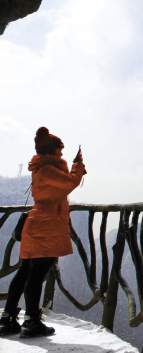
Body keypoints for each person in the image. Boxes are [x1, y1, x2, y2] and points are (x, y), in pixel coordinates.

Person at [0, 127, 86, 338]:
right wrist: (78, 166)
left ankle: (8, 318)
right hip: (45, 227)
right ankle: (31, 322)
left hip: (38, 223)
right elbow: (70, 183)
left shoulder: (43, 168)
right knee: (36, 273)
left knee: (25, 270)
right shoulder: (48, 170)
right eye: (59, 149)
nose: (62, 153)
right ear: (51, 151)